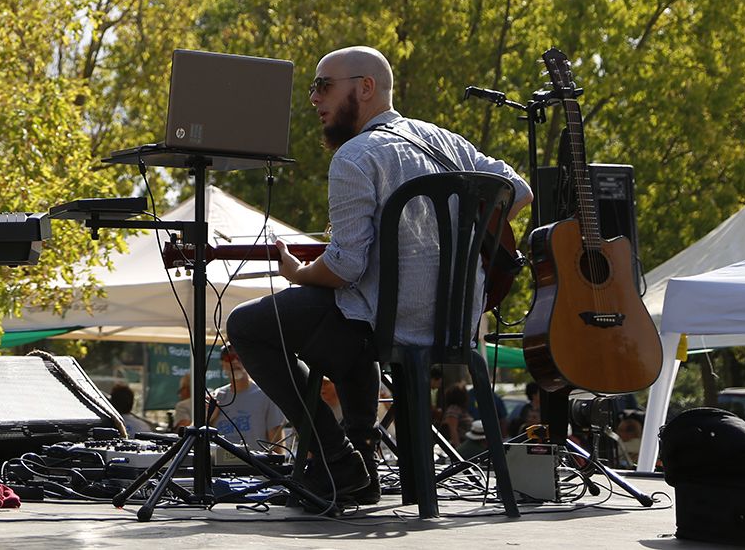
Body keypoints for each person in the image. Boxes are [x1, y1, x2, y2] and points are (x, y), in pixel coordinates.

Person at [226, 46, 532, 509]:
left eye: (323, 85)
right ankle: (360, 462)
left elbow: (345, 266)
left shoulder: (355, 157)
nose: (313, 98)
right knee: (346, 312)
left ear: (365, 87)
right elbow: (521, 190)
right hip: (454, 324)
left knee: (249, 326)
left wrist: (300, 271)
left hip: (386, 325)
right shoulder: (445, 141)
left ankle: (337, 459)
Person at [209, 345, 286, 449]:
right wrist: (207, 418)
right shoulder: (217, 397)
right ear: (222, 364)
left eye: (240, 357)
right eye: (229, 358)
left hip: (253, 464)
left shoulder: (266, 395)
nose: (235, 362)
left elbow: (277, 445)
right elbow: (199, 435)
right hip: (220, 464)